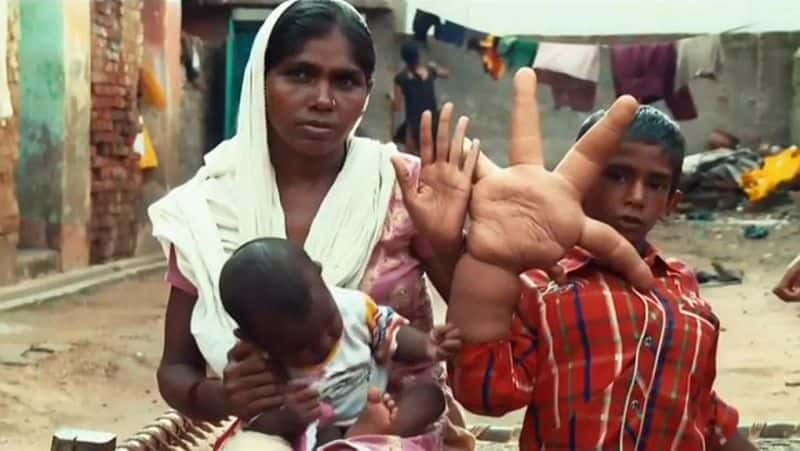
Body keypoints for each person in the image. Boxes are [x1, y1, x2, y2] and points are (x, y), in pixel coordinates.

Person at [147, 0, 478, 449]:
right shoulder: (208, 208)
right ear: (261, 81)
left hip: (398, 425)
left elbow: (478, 334)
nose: (323, 100)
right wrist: (225, 395)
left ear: (367, 91)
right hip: (282, 427)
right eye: (299, 74)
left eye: (345, 81)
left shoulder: (401, 187)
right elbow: (176, 368)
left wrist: (447, 243)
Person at [446, 93, 757, 450]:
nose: (636, 197)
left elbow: (702, 407)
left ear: (671, 203)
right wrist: (491, 264)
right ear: (578, 183)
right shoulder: (543, 284)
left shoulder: (682, 285)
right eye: (617, 176)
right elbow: (487, 392)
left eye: (655, 184)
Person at [217, 238, 461, 449]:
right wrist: (290, 417)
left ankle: (373, 431)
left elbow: (390, 331)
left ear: (320, 274)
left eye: (331, 325)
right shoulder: (263, 363)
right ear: (253, 339)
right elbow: (259, 421)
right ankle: (357, 440)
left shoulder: (352, 307)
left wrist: (426, 345)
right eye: (301, 347)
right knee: (322, 434)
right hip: (323, 429)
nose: (324, 343)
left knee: (429, 397)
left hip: (379, 404)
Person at [393, 40, 449, 155]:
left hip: (414, 124)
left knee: (410, 155)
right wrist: (434, 66)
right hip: (433, 120)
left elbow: (397, 106)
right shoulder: (429, 71)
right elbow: (446, 73)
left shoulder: (401, 78)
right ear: (418, 56)